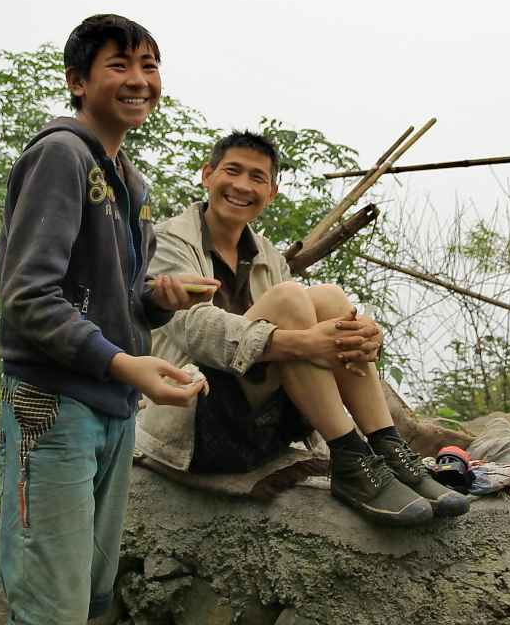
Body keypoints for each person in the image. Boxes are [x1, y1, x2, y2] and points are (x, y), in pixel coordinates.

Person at [0, 14, 219, 625]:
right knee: (50, 603)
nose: (139, 80)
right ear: (77, 80)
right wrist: (124, 363)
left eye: (149, 65)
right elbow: (28, 296)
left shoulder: (129, 180)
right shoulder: (60, 154)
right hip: (54, 402)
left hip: (112, 406)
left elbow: (110, 297)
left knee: (92, 596)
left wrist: (157, 300)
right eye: (118, 65)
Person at [137, 131, 469, 526]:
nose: (243, 186)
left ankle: (389, 448)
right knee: (291, 299)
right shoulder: (169, 241)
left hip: (268, 422)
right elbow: (189, 326)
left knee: (328, 297)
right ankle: (350, 454)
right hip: (201, 420)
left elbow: (317, 328)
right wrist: (303, 341)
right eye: (232, 171)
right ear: (207, 175)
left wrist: (368, 336)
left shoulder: (266, 254)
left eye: (257, 178)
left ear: (272, 193)